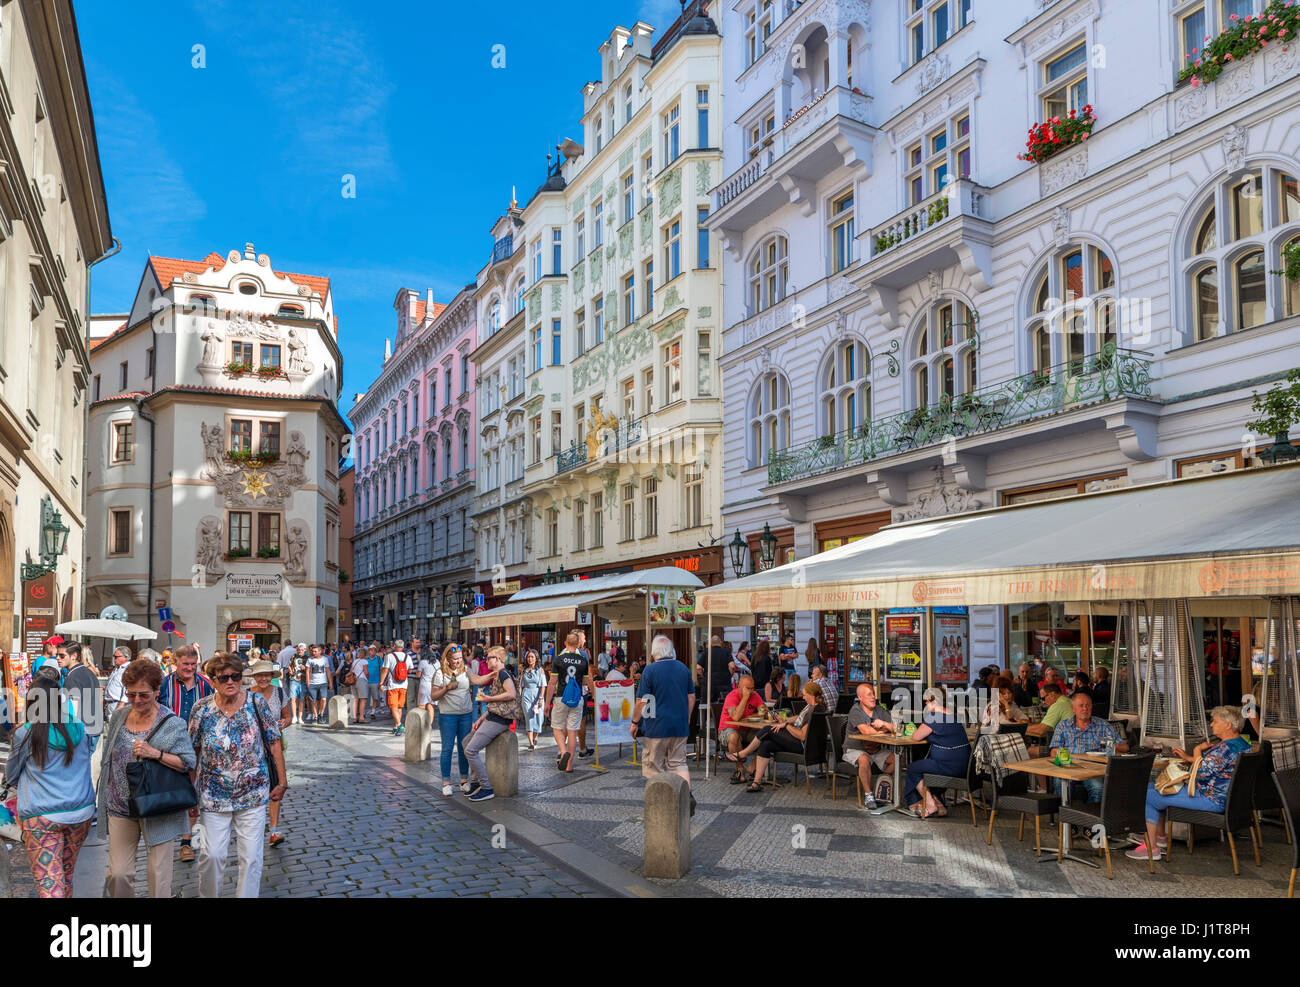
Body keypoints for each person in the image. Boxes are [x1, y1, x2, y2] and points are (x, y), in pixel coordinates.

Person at [96, 658, 197, 897]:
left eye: (143, 695)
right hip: (120, 806)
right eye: (131, 695)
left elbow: (188, 763)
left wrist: (155, 754)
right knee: (117, 874)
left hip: (158, 805)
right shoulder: (120, 717)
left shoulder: (172, 723)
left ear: (156, 692)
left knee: (158, 875)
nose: (137, 700)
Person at [189, 653, 286, 898]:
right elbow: (194, 751)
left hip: (253, 791)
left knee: (251, 857)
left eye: (236, 676)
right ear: (213, 680)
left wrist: (283, 781)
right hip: (213, 793)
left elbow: (274, 743)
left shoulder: (256, 703)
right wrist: (189, 790)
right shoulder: (201, 708)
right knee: (212, 856)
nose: (231, 681)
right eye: (224, 678)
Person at [3, 675, 95, 898]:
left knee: (50, 886)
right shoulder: (79, 728)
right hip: (80, 812)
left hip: (42, 816)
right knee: (66, 876)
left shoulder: (26, 732)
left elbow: (12, 774)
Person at [1126, 705, 1251, 862]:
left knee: (1147, 795)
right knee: (1154, 787)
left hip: (1211, 798)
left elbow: (1199, 774)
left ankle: (1151, 849)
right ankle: (1160, 837)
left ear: (1228, 725)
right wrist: (1189, 757)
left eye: (1215, 721)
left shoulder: (1224, 748)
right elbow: (1214, 766)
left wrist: (1198, 749)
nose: (1211, 724)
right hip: (1229, 799)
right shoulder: (1242, 744)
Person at [629, 634, 696, 813]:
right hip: (680, 726)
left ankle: (661, 805)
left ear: (654, 653)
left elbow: (641, 701)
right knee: (679, 763)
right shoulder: (683, 668)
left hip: (656, 726)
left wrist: (635, 722)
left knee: (654, 765)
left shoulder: (650, 671)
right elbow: (691, 697)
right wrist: (687, 717)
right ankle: (686, 796)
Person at [159, 644, 213, 863]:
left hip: (198, 748)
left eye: (193, 664)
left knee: (192, 793)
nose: (190, 668)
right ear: (175, 663)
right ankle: (165, 837)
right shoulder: (164, 685)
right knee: (169, 794)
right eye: (186, 664)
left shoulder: (206, 685)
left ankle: (186, 841)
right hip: (170, 748)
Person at [730, 681, 825, 793]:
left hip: (804, 746)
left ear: (811, 695)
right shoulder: (813, 707)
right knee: (766, 744)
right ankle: (756, 782)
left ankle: (743, 753)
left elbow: (802, 736)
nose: (803, 698)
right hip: (807, 745)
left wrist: (786, 725)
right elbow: (798, 718)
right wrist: (785, 720)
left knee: (767, 729)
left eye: (804, 695)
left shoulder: (813, 711)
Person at [903, 686, 973, 817]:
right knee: (925, 767)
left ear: (932, 700)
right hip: (965, 765)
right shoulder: (953, 715)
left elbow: (916, 736)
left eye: (926, 702)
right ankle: (939, 804)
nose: (926, 704)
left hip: (948, 766)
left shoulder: (935, 716)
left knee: (913, 769)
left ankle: (930, 804)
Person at [1049, 690, 1128, 802]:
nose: (1085, 709)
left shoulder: (1102, 725)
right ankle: (1064, 817)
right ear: (1073, 709)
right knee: (1060, 783)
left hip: (1094, 768)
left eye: (1088, 705)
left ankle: (1090, 818)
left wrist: (1111, 746)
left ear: (1091, 708)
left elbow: (1125, 747)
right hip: (1068, 765)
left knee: (1098, 788)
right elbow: (1054, 751)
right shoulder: (1063, 726)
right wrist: (1069, 762)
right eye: (1081, 706)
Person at [461, 646, 518, 802]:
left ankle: (486, 788)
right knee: (466, 743)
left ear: (498, 659)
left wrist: (488, 700)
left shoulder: (503, 673)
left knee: (471, 750)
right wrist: (481, 718)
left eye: (490, 657)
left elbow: (511, 693)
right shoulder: (496, 674)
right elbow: (495, 702)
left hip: (499, 720)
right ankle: (475, 782)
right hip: (492, 716)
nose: (486, 660)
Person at [248, 660, 293, 847]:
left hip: (274, 746)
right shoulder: (247, 695)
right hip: (252, 747)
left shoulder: (279, 693)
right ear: (255, 677)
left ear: (272, 677)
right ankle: (253, 829)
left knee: (275, 783)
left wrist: (285, 722)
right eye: (260, 675)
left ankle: (274, 830)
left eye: (267, 675)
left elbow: (288, 716)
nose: (263, 678)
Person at [544, 631, 591, 773]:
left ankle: (563, 752)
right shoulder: (583, 660)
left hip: (561, 698)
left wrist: (547, 703)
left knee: (557, 728)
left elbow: (552, 683)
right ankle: (569, 766)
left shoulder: (558, 659)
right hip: (577, 699)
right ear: (577, 644)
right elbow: (585, 681)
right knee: (572, 732)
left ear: (565, 643)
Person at [429, 644, 474, 795]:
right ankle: (446, 782)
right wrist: (446, 688)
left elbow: (478, 680)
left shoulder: (466, 670)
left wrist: (494, 674)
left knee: (464, 748)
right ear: (447, 659)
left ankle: (464, 780)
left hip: (465, 714)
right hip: (447, 715)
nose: (458, 661)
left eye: (460, 658)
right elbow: (433, 695)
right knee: (447, 749)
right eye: (455, 659)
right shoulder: (440, 673)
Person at [844, 683, 895, 811]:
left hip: (876, 750)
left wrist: (883, 723)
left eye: (873, 693)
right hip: (855, 749)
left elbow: (895, 727)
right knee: (864, 759)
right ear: (860, 698)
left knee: (898, 759)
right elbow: (866, 731)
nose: (873, 697)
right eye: (869, 694)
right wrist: (884, 731)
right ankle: (869, 795)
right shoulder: (856, 710)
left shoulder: (879, 710)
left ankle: (880, 785)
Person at [718, 674, 764, 783]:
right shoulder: (732, 696)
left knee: (766, 735)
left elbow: (764, 711)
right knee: (734, 736)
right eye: (748, 688)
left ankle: (753, 767)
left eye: (753, 688)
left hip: (747, 729)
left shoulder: (755, 695)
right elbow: (736, 717)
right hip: (727, 728)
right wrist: (745, 698)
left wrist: (756, 715)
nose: (751, 691)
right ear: (739, 686)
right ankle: (740, 770)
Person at [61, 643, 102, 749]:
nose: (58, 658)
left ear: (74, 656)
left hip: (83, 732)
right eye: (57, 655)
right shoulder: (89, 672)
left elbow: (72, 712)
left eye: (62, 656)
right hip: (94, 729)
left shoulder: (72, 678)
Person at [1026, 681, 1072, 752]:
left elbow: (1042, 730)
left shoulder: (1058, 705)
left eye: (1043, 698)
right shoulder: (1069, 701)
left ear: (1052, 695)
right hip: (1072, 743)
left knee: (1027, 751)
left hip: (1066, 747)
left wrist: (1021, 729)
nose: (1043, 702)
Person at [380, 642, 413, 736]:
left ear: (394, 646)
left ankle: (399, 725)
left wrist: (381, 682)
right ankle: (396, 727)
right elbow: (410, 670)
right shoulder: (408, 656)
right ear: (402, 647)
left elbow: (385, 670)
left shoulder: (389, 656)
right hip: (404, 684)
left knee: (393, 706)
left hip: (393, 685)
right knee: (399, 706)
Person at [519, 649, 547, 750]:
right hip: (527, 694)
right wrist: (519, 695)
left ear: (536, 658)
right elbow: (520, 685)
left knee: (539, 718)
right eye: (528, 657)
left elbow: (543, 685)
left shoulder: (540, 670)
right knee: (529, 717)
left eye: (532, 657)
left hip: (537, 695)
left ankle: (535, 737)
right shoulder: (524, 670)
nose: (530, 659)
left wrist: (540, 698)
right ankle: (531, 743)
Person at [305, 643, 333, 724]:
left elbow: (328, 671)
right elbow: (307, 671)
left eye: (315, 651)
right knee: (314, 701)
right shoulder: (310, 660)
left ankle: (321, 714)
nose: (314, 653)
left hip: (323, 683)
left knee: (323, 699)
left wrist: (330, 682)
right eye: (313, 651)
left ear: (320, 651)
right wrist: (308, 682)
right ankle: (316, 716)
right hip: (313, 683)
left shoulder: (325, 659)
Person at [103, 646, 132, 715]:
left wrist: (119, 708)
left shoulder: (128, 669)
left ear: (125, 657)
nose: (114, 659)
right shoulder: (116, 669)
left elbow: (127, 691)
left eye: (116, 657)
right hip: (110, 704)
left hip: (117, 704)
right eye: (113, 656)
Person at [417, 645, 439, 724]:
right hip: (433, 686)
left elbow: (418, 675)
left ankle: (421, 724)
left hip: (424, 685)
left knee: (421, 706)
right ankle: (429, 725)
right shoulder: (437, 662)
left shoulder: (423, 662)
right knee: (431, 706)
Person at [350, 648, 371, 723]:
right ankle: (361, 717)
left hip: (354, 680)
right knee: (363, 700)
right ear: (365, 654)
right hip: (362, 680)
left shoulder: (355, 661)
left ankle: (355, 717)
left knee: (355, 699)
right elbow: (366, 672)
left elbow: (351, 671)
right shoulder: (364, 661)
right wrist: (368, 678)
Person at [365, 644, 383, 720]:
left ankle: (373, 712)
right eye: (371, 650)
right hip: (365, 681)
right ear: (368, 651)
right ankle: (363, 712)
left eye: (374, 650)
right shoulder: (365, 659)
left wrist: (381, 681)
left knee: (375, 698)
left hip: (376, 681)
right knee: (364, 697)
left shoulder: (379, 659)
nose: (372, 651)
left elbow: (382, 670)